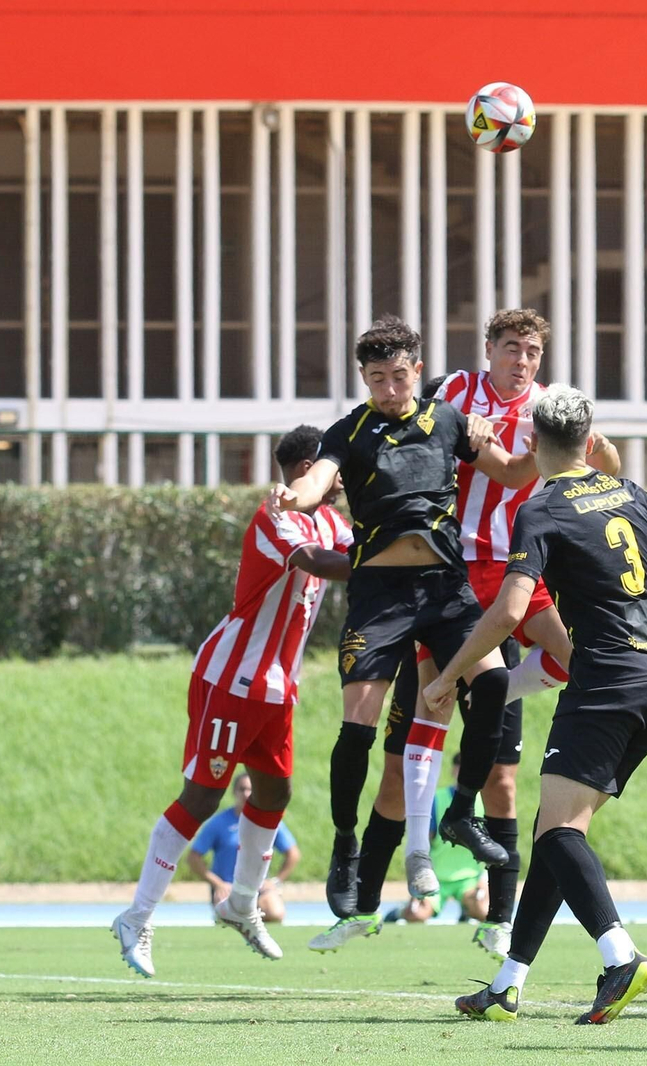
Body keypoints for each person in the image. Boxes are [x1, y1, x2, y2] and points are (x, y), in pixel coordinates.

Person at [428, 385, 647, 1025]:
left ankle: (621, 957)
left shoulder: (540, 508)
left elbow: (508, 611)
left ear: (532, 443)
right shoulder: (631, 493)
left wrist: (448, 675)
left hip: (605, 684)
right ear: (589, 440)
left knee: (558, 834)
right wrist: (641, 622)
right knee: (556, 832)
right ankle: (507, 984)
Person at [271, 316, 528, 948]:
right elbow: (318, 479)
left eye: (399, 376)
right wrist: (297, 496)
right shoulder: (349, 430)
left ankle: (461, 812)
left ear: (417, 370)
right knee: (358, 729)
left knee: (494, 683)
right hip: (380, 597)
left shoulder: (448, 421)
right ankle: (345, 844)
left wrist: (567, 449)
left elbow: (511, 473)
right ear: (364, 378)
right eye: (377, 378)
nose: (389, 389)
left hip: (446, 590)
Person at [386, 310, 623, 960]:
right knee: (425, 718)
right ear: (488, 349)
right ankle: (416, 857)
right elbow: (432, 439)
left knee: (572, 668)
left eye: (533, 351)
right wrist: (466, 430)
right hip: (453, 567)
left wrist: (598, 449)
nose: (522, 360)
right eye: (512, 348)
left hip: (519, 564)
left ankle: (499, 916)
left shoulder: (551, 407)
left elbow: (603, 466)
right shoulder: (454, 391)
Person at [111, 426, 353, 977]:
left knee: (274, 792)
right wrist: (398, 562)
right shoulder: (276, 516)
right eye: (333, 469)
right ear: (307, 469)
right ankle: (136, 916)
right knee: (201, 796)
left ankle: (242, 904)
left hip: (277, 687)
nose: (340, 480)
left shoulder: (330, 520)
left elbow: (354, 548)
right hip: (232, 679)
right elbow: (323, 563)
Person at [382, 755, 491, 926]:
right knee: (417, 914)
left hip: (469, 879)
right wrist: (420, 874)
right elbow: (424, 840)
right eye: (459, 767)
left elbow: (492, 846)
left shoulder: (485, 802)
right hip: (437, 877)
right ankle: (399, 911)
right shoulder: (437, 799)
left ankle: (466, 909)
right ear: (453, 770)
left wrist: (484, 879)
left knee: (483, 911)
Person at [188, 773, 301, 922]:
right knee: (230, 918)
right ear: (234, 792)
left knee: (275, 913)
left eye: (251, 789)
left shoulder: (268, 820)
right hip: (229, 888)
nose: (246, 794)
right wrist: (218, 884)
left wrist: (275, 881)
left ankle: (253, 920)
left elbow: (293, 853)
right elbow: (194, 857)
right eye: (242, 789)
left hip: (258, 888)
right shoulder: (219, 822)